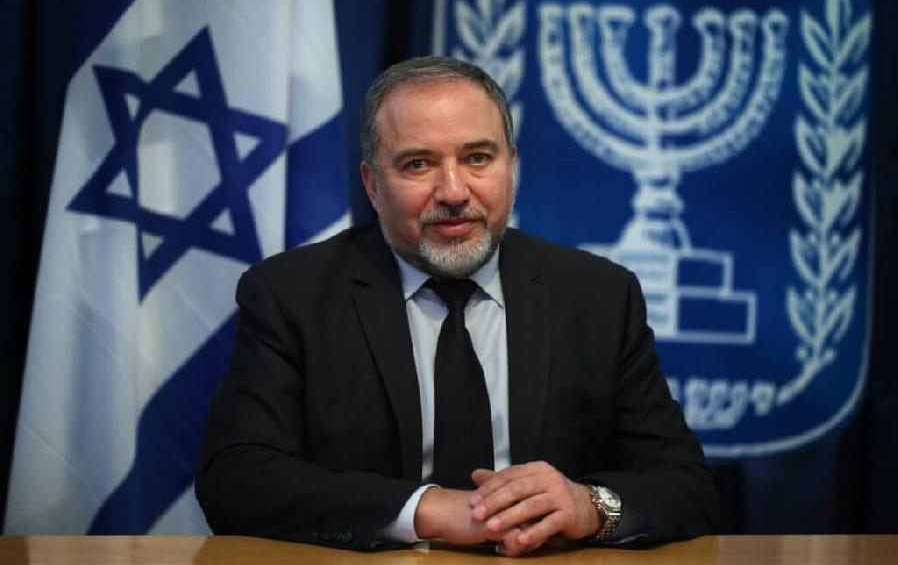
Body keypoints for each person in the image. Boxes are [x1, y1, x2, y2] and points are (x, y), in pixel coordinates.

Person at [196, 56, 718, 556]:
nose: (453, 191)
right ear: (373, 185)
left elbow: (685, 485)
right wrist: (429, 510)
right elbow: (235, 478)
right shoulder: (292, 294)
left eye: (477, 158)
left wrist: (589, 506)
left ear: (512, 166)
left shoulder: (598, 295)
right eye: (418, 164)